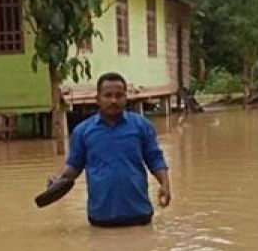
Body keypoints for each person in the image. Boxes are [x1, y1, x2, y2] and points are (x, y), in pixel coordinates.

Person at [52, 72, 172, 227]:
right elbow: (74, 166)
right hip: (101, 218)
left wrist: (165, 184)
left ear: (126, 98)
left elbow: (155, 159)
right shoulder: (82, 131)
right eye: (108, 95)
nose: (113, 100)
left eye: (119, 95)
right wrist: (57, 180)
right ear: (97, 99)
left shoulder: (142, 126)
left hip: (139, 215)